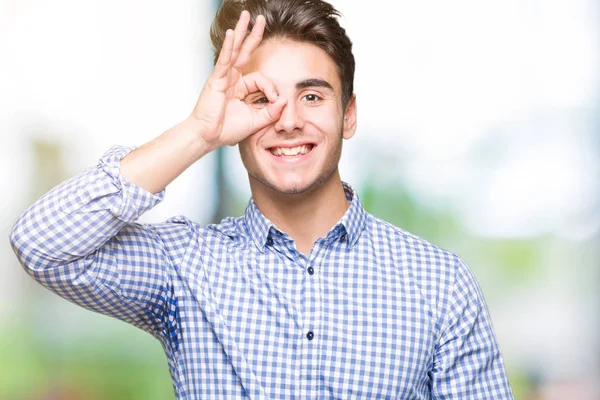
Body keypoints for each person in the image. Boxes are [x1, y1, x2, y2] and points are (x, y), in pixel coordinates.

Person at [9, 0, 514, 398]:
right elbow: (41, 243)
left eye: (312, 95)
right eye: (262, 99)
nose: (288, 119)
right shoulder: (185, 268)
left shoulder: (439, 283)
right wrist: (199, 133)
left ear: (349, 115)